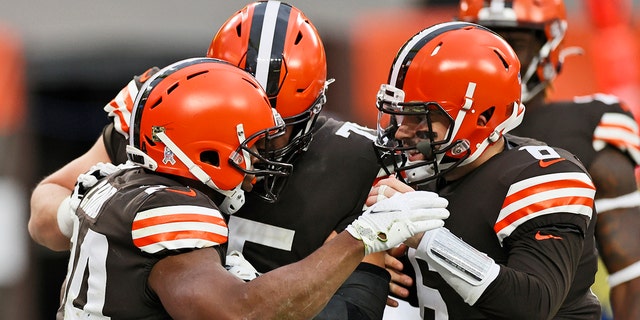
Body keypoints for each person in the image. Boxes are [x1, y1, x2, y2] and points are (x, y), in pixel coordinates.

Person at [30, 1, 395, 318]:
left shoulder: (360, 159)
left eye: (275, 131)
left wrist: (379, 253)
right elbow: (45, 211)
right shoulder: (164, 113)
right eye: (239, 125)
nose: (259, 151)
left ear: (314, 109)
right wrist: (82, 213)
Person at [57, 57, 450, 319]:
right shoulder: (172, 208)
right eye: (254, 145)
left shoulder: (120, 181)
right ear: (207, 147)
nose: (262, 159)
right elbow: (241, 313)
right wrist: (358, 240)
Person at [370, 21, 601, 319]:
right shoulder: (414, 170)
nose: (402, 132)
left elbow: (533, 305)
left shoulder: (542, 177)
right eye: (400, 115)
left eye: (420, 117)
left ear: (483, 117)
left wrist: (425, 236)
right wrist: (372, 265)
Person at [457, 1, 640, 319]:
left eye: (514, 43)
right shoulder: (429, 129)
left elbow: (631, 271)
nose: (497, 58)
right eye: (486, 42)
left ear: (548, 47)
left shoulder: (587, 126)